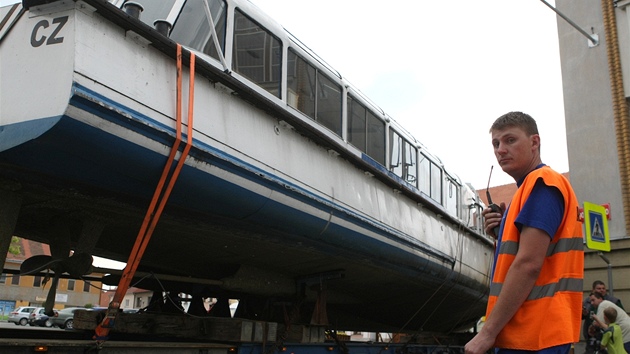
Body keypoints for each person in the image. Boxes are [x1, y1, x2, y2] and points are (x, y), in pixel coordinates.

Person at [464, 111, 584, 354]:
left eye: (510, 140)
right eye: (495, 144)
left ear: (534, 142)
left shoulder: (542, 183)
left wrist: (487, 333)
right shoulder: (529, 189)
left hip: (534, 333)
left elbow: (529, 263)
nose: (500, 150)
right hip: (531, 331)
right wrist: (501, 233)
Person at [584, 281, 625, 354]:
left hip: (606, 335)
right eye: (599, 288)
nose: (601, 290)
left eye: (603, 288)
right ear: (593, 290)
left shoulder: (612, 301)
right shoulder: (587, 302)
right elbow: (582, 317)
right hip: (591, 337)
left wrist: (594, 324)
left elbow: (621, 314)